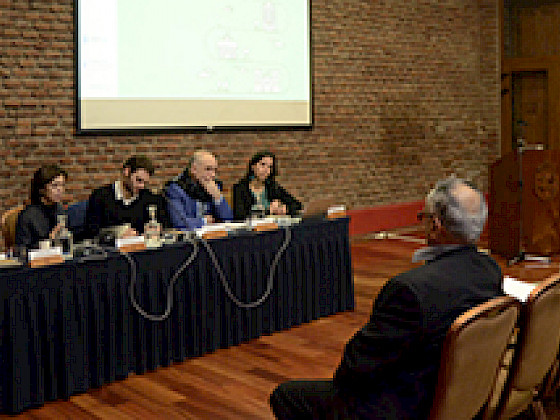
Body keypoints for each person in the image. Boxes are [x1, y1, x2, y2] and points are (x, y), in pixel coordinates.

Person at [269, 176, 504, 419]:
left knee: (286, 396)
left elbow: (356, 367)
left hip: (411, 406)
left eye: (422, 217)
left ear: (435, 226)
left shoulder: (410, 291)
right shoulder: (490, 271)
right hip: (463, 393)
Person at [85, 155, 169, 238]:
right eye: (139, 180)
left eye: (145, 182)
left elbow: (165, 227)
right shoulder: (101, 196)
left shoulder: (151, 198)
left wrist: (158, 231)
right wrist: (118, 234)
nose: (142, 186)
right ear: (126, 172)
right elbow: (91, 232)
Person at [165, 150, 233, 230]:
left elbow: (228, 220)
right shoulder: (176, 188)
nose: (213, 175)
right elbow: (180, 223)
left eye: (215, 170)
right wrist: (204, 221)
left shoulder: (213, 186)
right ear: (194, 169)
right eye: (208, 169)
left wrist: (218, 197)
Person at [232, 151, 302, 220]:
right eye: (262, 164)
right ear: (253, 166)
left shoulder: (272, 187)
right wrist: (268, 211)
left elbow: (297, 205)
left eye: (269, 167)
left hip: (271, 226)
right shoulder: (240, 188)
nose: (266, 170)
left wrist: (284, 208)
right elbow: (240, 215)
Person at [15, 165, 69, 249]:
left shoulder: (60, 210)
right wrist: (50, 241)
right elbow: (22, 249)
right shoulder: (27, 216)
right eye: (55, 185)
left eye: (62, 185)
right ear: (42, 189)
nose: (60, 190)